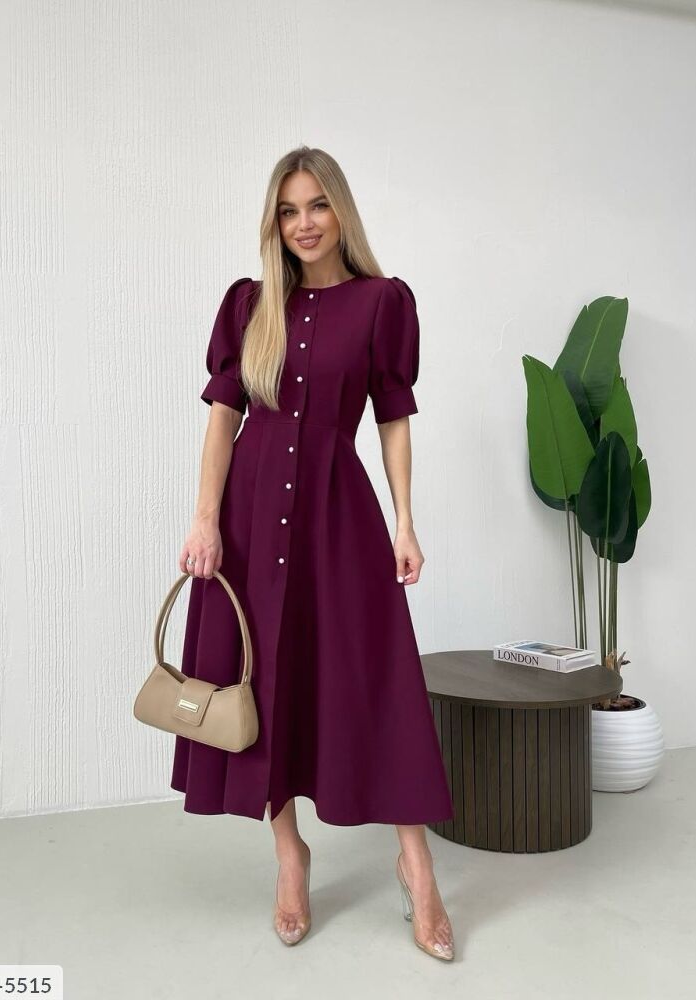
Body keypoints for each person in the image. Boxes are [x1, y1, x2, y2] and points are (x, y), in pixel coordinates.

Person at [172, 146, 455, 961]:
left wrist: (404, 521)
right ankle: (289, 855)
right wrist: (204, 520)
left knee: (376, 678)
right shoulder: (249, 303)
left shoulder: (381, 303)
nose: (304, 223)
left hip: (337, 514)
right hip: (249, 519)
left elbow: (392, 417)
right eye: (289, 210)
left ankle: (416, 867)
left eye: (317, 206)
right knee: (264, 679)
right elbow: (222, 420)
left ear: (341, 212)